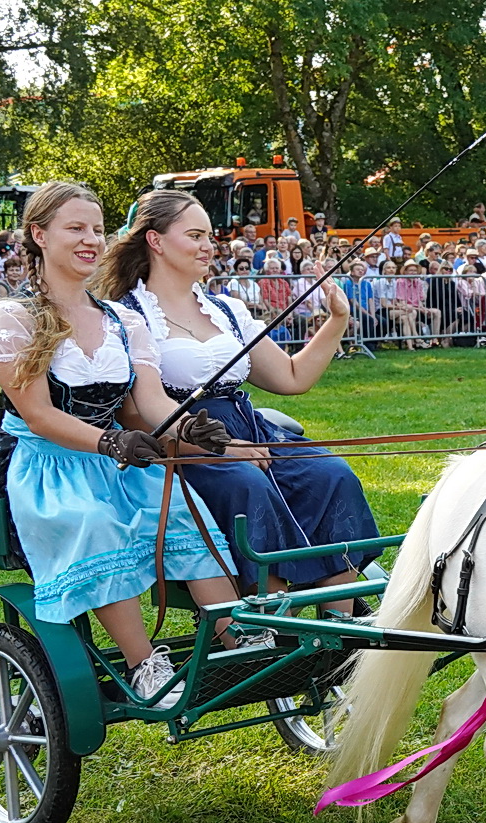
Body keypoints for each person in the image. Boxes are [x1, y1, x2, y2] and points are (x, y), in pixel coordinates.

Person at [0, 181, 251, 707]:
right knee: (95, 524)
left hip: (115, 455)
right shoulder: (13, 319)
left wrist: (185, 429)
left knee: (181, 509)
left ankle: (240, 643)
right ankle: (144, 664)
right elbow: (38, 414)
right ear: (39, 235)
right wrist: (111, 442)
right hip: (48, 464)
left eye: (97, 229)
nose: (90, 240)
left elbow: (146, 401)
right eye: (75, 228)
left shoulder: (123, 320)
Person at [94, 188, 381, 601]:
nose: (207, 246)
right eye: (194, 236)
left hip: (252, 428)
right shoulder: (127, 315)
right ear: (155, 241)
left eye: (209, 237)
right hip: (182, 442)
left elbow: (292, 377)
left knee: (330, 472)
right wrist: (221, 447)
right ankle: (271, 617)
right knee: (246, 485)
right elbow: (138, 413)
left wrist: (338, 319)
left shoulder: (227, 310)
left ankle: (339, 617)